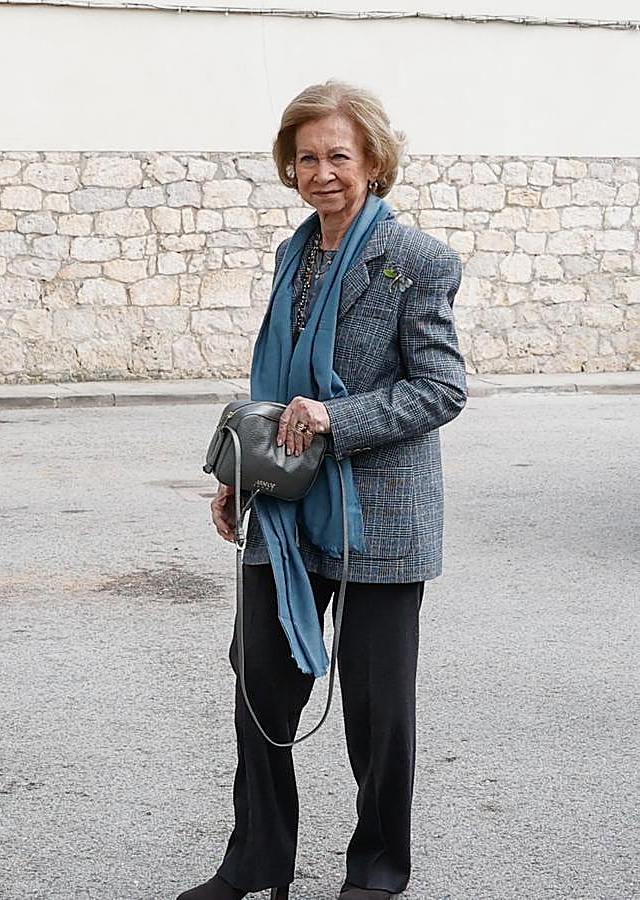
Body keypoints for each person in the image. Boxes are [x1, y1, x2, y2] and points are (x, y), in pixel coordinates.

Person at [177, 80, 467, 900]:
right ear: (289, 167)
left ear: (373, 160)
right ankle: (256, 860)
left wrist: (336, 417)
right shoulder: (294, 252)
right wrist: (242, 479)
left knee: (378, 717)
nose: (322, 171)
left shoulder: (418, 262)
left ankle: (375, 872)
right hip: (287, 510)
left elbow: (441, 390)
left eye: (339, 154)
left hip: (382, 518)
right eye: (306, 156)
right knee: (258, 687)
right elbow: (273, 385)